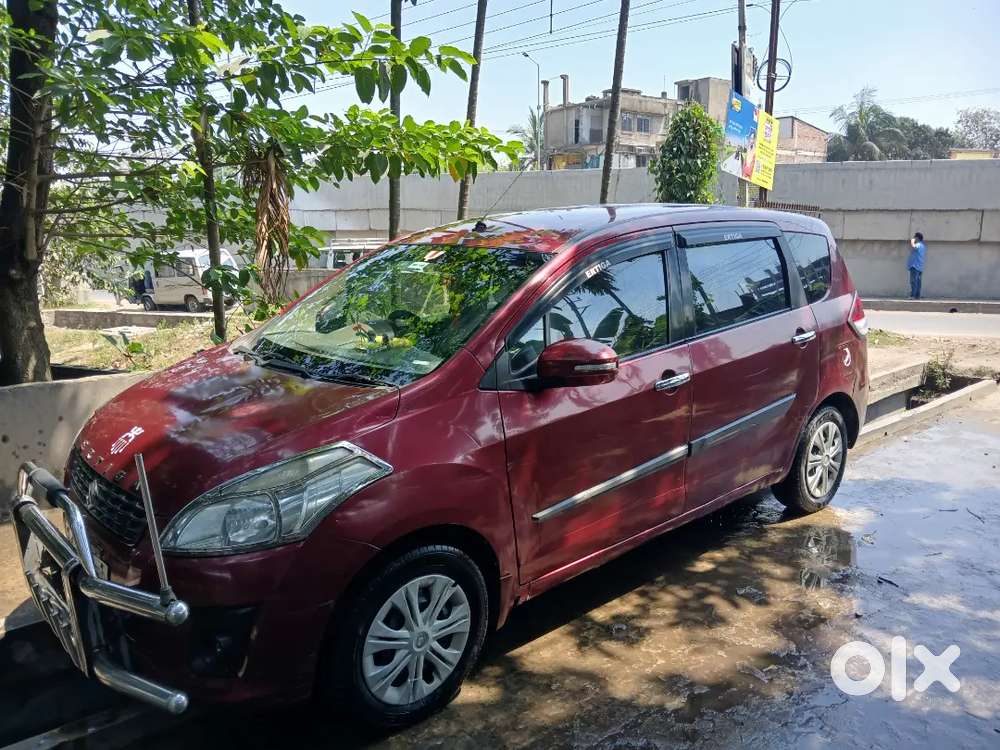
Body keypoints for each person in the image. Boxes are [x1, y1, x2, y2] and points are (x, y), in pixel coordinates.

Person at [907, 231, 927, 299]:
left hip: (915, 266)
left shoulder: (918, 244)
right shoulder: (923, 246)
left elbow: (914, 247)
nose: (914, 238)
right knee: (918, 282)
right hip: (920, 266)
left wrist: (912, 241)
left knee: (913, 281)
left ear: (917, 238)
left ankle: (913, 295)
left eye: (914, 237)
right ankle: (917, 296)